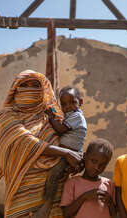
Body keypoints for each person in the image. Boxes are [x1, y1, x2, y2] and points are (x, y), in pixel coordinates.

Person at [0, 70, 82, 218]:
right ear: (16, 89)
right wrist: (65, 153)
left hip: (54, 191)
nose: (31, 89)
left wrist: (72, 162)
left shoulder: (51, 116)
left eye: (35, 85)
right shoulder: (7, 114)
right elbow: (24, 140)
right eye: (25, 85)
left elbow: (68, 140)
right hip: (22, 188)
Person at [38, 86, 87, 217]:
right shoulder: (70, 115)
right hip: (68, 153)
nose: (68, 106)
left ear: (80, 102)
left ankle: (47, 204)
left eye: (72, 102)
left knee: (53, 174)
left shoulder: (76, 116)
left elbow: (60, 129)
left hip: (69, 154)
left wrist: (50, 117)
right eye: (64, 104)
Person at [60, 138, 116, 218]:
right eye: (94, 161)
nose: (97, 167)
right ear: (85, 156)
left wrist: (110, 202)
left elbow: (114, 215)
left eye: (102, 165)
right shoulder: (72, 183)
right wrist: (84, 197)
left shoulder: (109, 184)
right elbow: (66, 214)